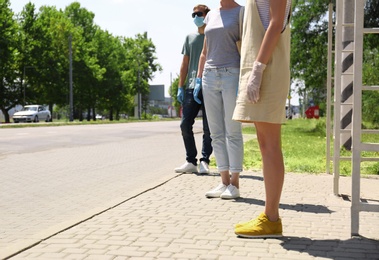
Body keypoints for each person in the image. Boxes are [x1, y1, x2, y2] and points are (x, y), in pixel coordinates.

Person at [232, 0, 292, 238]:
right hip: (262, 68)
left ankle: (271, 218)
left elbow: (276, 23)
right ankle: (270, 216)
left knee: (270, 146)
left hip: (267, 69)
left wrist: (258, 69)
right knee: (266, 145)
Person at [195, 0, 244, 199]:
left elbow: (247, 45)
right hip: (209, 75)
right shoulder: (211, 14)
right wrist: (198, 79)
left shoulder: (242, 12)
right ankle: (223, 181)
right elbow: (204, 52)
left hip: (231, 74)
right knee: (216, 132)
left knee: (232, 130)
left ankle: (235, 184)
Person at [175, 4, 213, 175]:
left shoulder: (213, 36)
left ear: (206, 15)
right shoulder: (189, 38)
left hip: (210, 84)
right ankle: (191, 160)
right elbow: (184, 64)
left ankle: (205, 161)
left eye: (198, 14)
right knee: (185, 124)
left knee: (208, 126)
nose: (196, 17)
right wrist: (180, 86)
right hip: (191, 86)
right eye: (193, 14)